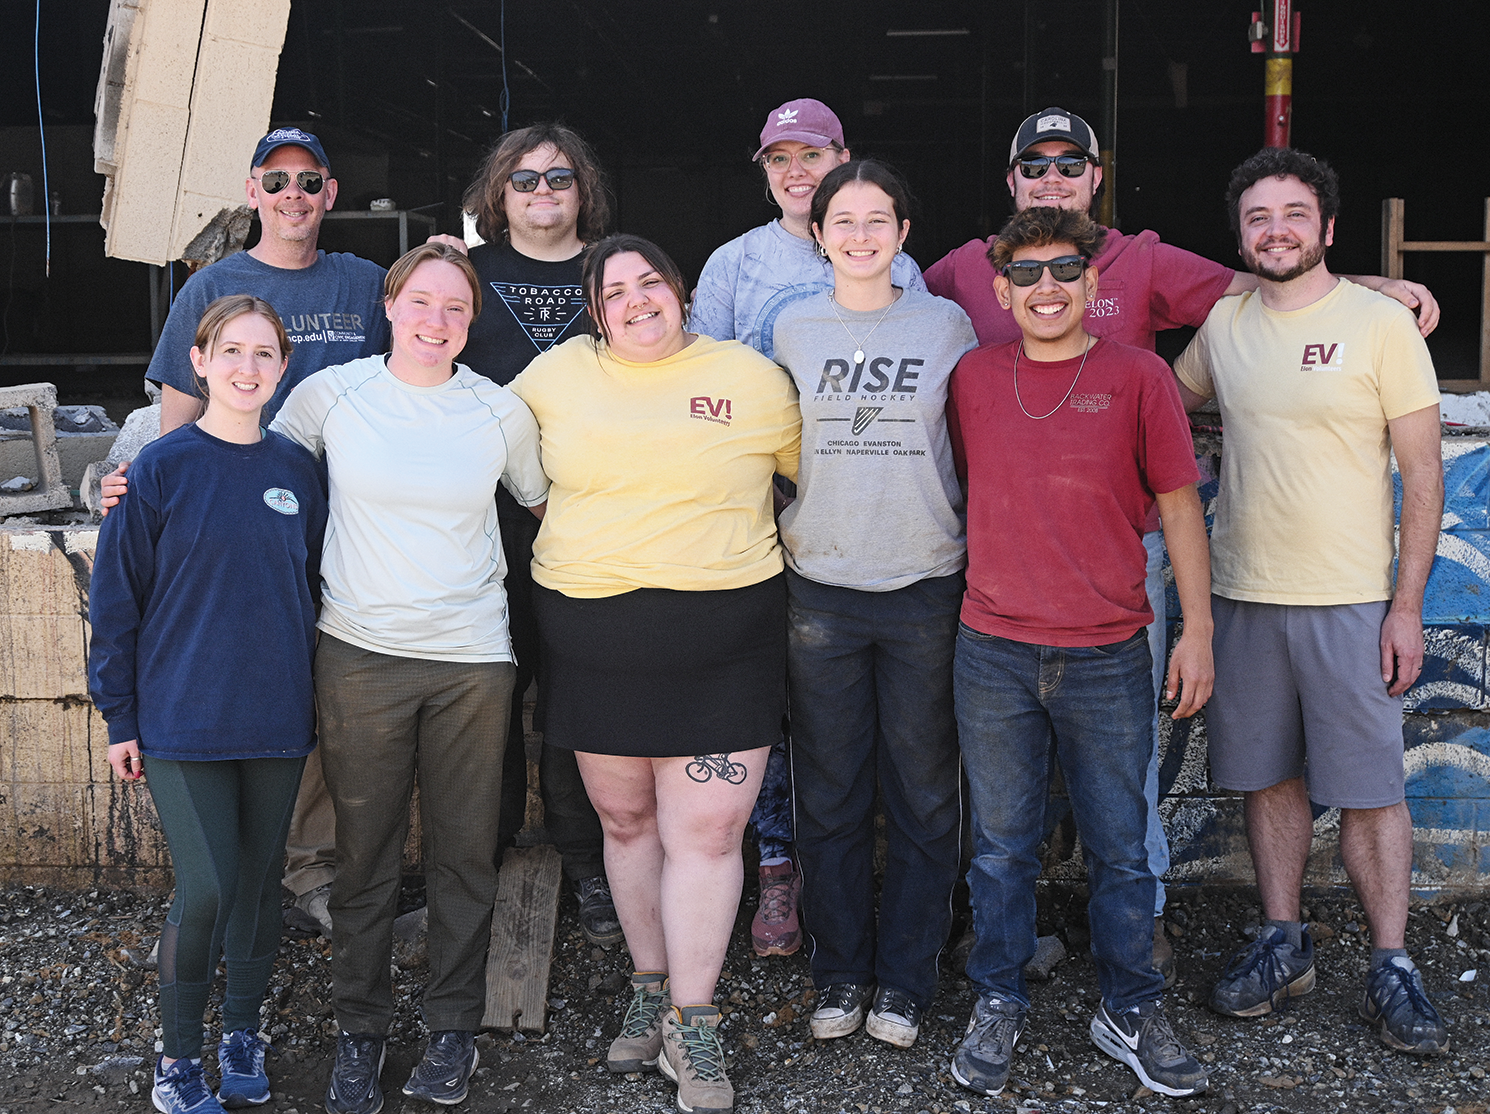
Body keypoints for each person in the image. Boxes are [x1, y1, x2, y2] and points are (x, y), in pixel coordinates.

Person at [925, 106, 1440, 984]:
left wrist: (1374, 290)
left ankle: (1142, 927)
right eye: (1035, 165)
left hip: (1132, 559)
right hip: (1003, 568)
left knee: (1120, 759)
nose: (1053, 178)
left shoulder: (1147, 261)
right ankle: (1002, 937)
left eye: (1071, 163)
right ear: (1011, 182)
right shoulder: (959, 273)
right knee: (1007, 778)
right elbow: (889, 322)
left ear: (1097, 178)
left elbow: (1267, 283)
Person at [509, 234, 801, 1114]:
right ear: (595, 310)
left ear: (680, 291)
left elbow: (806, 478)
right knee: (628, 821)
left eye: (651, 283)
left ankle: (694, 1017)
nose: (637, 301)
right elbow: (486, 449)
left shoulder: (752, 378)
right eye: (616, 291)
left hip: (725, 637)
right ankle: (647, 982)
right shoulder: (552, 379)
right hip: (595, 637)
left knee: (707, 833)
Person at [1173, 147, 1449, 1053]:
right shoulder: (1223, 323)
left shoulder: (1379, 325)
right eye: (1258, 218)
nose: (1276, 230)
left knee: (1370, 791)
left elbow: (1421, 472)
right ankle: (1282, 940)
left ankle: (1392, 963)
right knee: (1268, 776)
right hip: (1244, 594)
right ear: (1240, 234)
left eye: (1294, 214)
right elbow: (1162, 406)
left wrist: (1406, 607)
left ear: (1328, 228)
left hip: (1351, 600)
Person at [945, 207, 1213, 1099]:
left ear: (1095, 284)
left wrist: (1199, 632)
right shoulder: (973, 377)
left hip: (1108, 651)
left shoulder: (1138, 376)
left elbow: (1179, 508)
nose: (1047, 287)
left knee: (1122, 848)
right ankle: (998, 997)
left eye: (1065, 271)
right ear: (1001, 290)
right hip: (992, 650)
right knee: (1000, 848)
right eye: (1027, 274)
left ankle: (1130, 1007)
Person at [689, 97, 925, 959]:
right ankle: (781, 868)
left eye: (813, 154)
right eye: (779, 158)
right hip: (759, 523)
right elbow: (699, 392)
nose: (797, 171)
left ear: (844, 158)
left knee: (869, 719)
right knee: (775, 706)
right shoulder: (734, 266)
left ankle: (884, 881)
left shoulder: (901, 266)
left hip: (865, 521)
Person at [138, 127, 386, 939]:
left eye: (308, 182)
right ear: (251, 193)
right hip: (241, 524)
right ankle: (231, 878)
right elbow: (175, 424)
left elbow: (427, 338)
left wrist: (457, 253)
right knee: (237, 678)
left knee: (319, 686)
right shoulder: (211, 286)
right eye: (275, 181)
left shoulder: (363, 283)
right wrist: (139, 487)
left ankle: (312, 869)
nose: (292, 196)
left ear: (331, 194)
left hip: (345, 522)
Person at [89, 296, 328, 1114]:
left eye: (265, 354)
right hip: (181, 718)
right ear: (199, 360)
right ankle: (178, 1057)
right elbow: (116, 601)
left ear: (283, 369)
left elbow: (317, 584)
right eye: (231, 351)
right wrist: (118, 717)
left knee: (261, 888)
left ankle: (241, 1033)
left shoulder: (298, 471)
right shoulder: (157, 469)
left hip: (276, 717)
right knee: (209, 889)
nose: (247, 368)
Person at [768, 159, 976, 1050]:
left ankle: (905, 979)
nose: (859, 235)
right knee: (830, 792)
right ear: (818, 234)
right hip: (821, 586)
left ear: (902, 234)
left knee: (927, 794)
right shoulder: (790, 329)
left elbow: (973, 441)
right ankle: (840, 973)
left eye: (877, 220)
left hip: (925, 581)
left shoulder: (945, 324)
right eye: (842, 220)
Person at [456, 122, 618, 946]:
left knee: (576, 698)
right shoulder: (468, 275)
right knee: (489, 695)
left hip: (592, 516)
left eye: (559, 178)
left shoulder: (613, 272)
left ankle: (587, 867)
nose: (543, 192)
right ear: (499, 193)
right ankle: (474, 869)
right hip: (480, 523)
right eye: (525, 181)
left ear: (582, 188)